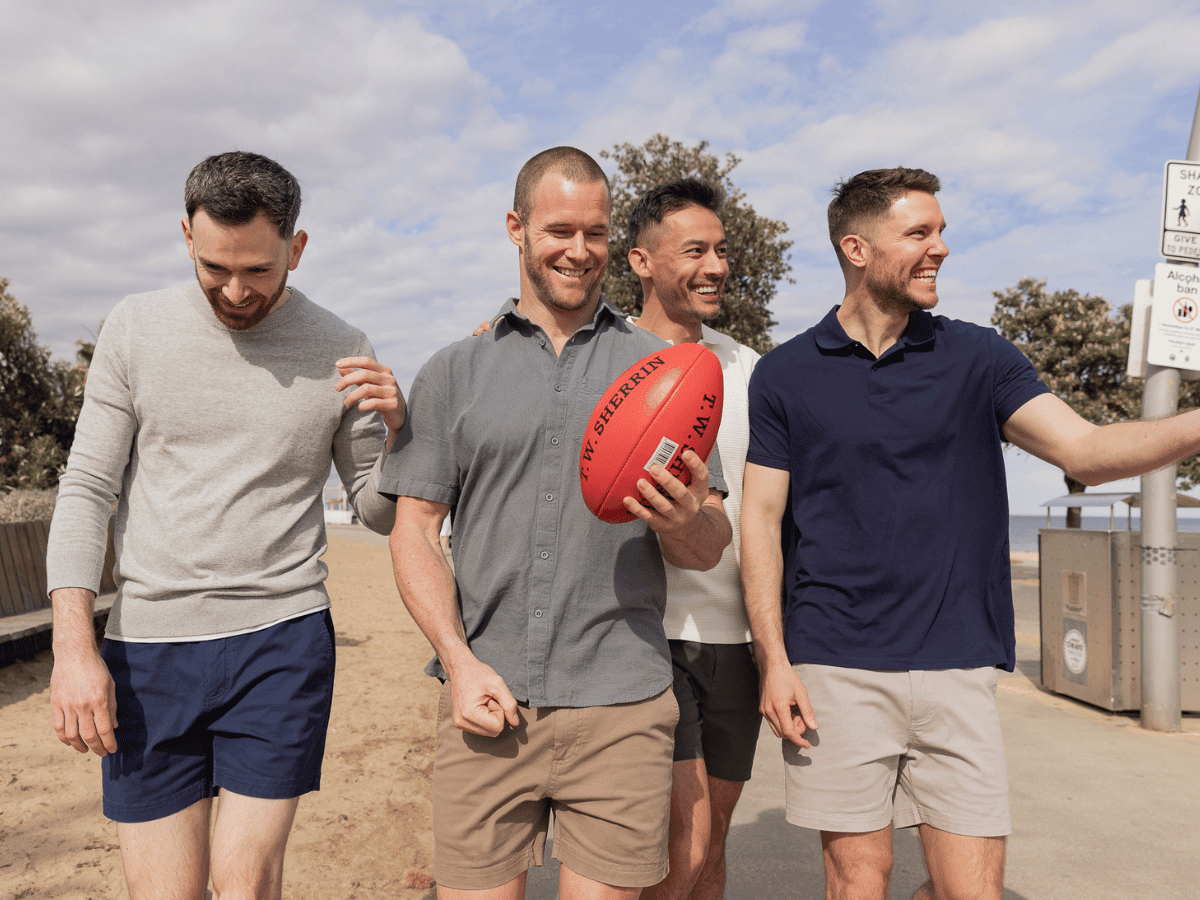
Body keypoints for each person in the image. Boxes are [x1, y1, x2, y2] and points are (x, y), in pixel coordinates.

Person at [740, 165, 1200, 900]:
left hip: (957, 661)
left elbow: (1083, 450)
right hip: (835, 662)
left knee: (971, 893)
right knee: (859, 882)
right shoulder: (785, 374)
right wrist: (774, 660)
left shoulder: (979, 356)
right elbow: (761, 521)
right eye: (919, 232)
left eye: (942, 231)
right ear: (856, 249)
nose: (941, 248)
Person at [46, 150, 405, 900]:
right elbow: (86, 488)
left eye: (259, 271)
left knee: (243, 884)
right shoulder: (134, 329)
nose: (235, 291)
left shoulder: (344, 348)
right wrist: (74, 650)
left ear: (296, 249)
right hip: (147, 651)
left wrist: (402, 438)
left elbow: (373, 510)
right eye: (215, 268)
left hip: (282, 638)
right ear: (186, 235)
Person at [382, 146, 732, 900]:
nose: (580, 251)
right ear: (516, 228)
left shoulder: (668, 371)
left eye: (597, 233)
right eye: (559, 230)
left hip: (621, 708)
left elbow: (709, 543)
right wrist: (458, 659)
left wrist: (680, 525)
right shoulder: (454, 370)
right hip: (486, 699)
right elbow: (413, 530)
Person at [625, 178, 761, 900]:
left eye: (721, 251)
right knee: (686, 838)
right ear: (642, 261)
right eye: (694, 251)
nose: (715, 267)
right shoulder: (600, 358)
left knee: (712, 851)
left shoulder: (750, 370)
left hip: (735, 638)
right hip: (646, 633)